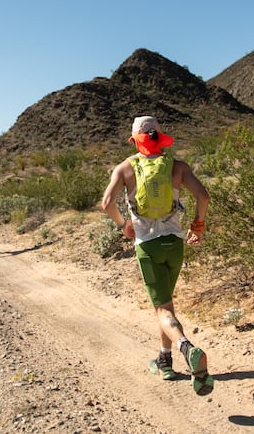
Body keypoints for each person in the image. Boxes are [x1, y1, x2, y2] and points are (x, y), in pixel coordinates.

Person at [101, 115, 214, 396]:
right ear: (159, 137)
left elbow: (106, 203)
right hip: (175, 245)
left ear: (135, 138)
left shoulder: (125, 169)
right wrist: (198, 224)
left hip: (148, 246)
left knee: (163, 309)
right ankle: (164, 361)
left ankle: (186, 348)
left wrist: (122, 224)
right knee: (166, 305)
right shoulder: (177, 167)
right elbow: (204, 196)